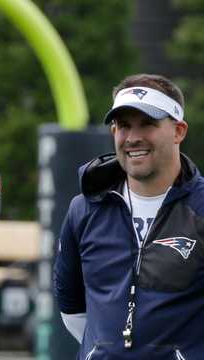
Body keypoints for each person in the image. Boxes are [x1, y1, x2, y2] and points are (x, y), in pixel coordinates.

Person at [53, 73, 203, 359]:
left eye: (148, 124)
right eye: (123, 126)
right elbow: (72, 307)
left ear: (179, 131)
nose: (133, 138)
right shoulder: (84, 208)